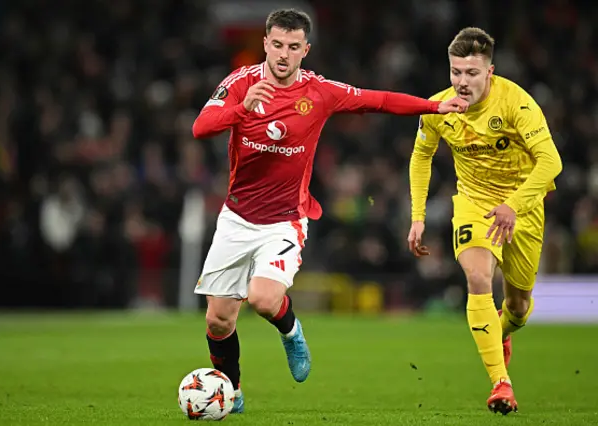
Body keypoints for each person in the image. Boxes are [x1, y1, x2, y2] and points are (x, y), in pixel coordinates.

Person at [192, 9, 468, 414]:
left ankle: (291, 332)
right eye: (277, 45)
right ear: (266, 43)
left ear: (306, 50)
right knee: (218, 320)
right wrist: (241, 109)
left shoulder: (319, 92)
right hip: (236, 217)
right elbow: (201, 127)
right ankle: (231, 390)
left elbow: (378, 100)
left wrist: (432, 107)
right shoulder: (240, 83)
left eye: (293, 47)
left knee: (264, 299)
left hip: (285, 218)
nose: (284, 54)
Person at [407, 27, 563, 415]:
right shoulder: (438, 109)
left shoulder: (517, 104)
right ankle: (501, 383)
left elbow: (551, 162)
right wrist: (418, 217)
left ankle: (502, 329)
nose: (461, 82)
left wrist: (514, 204)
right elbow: (420, 157)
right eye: (456, 72)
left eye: (471, 73)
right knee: (477, 277)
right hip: (474, 204)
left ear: (489, 72)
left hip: (522, 208)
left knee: (519, 306)